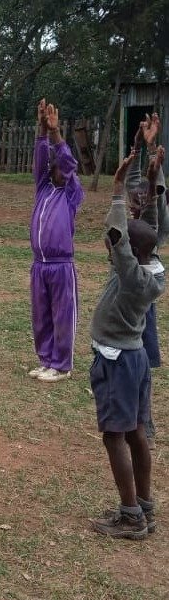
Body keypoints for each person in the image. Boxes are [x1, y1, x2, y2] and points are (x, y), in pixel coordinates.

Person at [89, 149, 163, 540]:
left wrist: (119, 187)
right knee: (135, 431)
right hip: (135, 359)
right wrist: (152, 182)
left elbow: (120, 234)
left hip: (116, 362)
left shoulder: (131, 275)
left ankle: (131, 515)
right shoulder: (151, 268)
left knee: (114, 435)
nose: (109, 242)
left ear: (128, 255)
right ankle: (145, 505)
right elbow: (144, 229)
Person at [28, 100, 84, 382]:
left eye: (64, 168)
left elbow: (69, 162)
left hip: (61, 265)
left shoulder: (72, 194)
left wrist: (55, 133)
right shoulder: (43, 189)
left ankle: (62, 365)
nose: (62, 171)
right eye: (56, 168)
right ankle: (46, 360)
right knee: (42, 316)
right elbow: (40, 159)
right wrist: (41, 129)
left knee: (62, 315)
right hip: (39, 265)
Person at [127, 113, 167, 447]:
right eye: (135, 195)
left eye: (145, 195)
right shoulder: (127, 221)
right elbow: (135, 177)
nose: (139, 198)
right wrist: (139, 145)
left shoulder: (154, 227)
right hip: (122, 301)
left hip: (142, 305)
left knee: (140, 362)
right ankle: (132, 419)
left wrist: (153, 151)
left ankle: (146, 423)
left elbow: (154, 189)